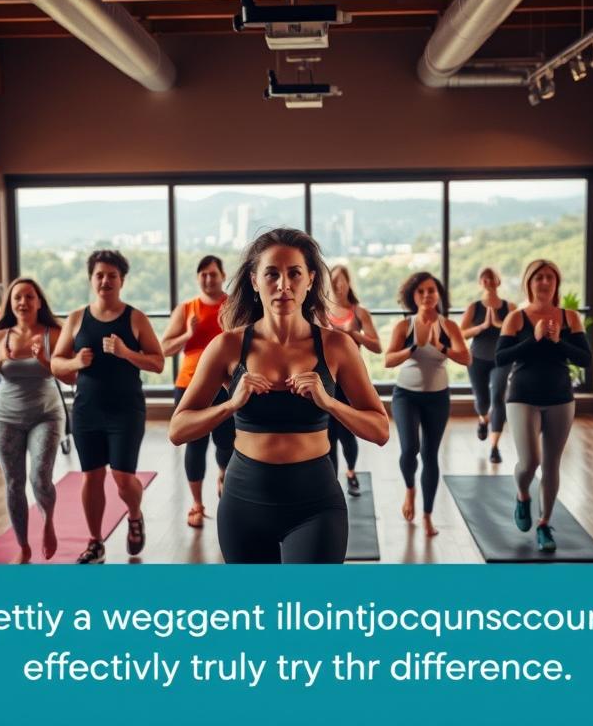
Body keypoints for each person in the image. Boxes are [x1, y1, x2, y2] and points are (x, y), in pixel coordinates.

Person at [169, 228, 389, 564]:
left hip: (316, 502)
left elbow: (380, 430)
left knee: (309, 611)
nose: (283, 285)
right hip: (244, 501)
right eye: (272, 273)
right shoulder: (227, 346)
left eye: (294, 273)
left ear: (310, 280)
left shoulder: (336, 346)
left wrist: (329, 402)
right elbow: (178, 429)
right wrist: (231, 404)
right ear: (255, 280)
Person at [51, 250, 164, 564]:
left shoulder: (135, 318)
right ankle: (95, 542)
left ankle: (135, 513)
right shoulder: (76, 318)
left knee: (123, 478)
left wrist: (127, 352)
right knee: (92, 476)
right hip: (87, 410)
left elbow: (157, 362)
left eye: (112, 275)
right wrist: (76, 361)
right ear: (91, 279)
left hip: (126, 410)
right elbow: (56, 363)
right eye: (99, 275)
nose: (105, 281)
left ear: (122, 280)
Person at [0, 278, 72, 564]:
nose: (23, 302)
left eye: (29, 297)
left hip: (46, 414)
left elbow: (70, 377)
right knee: (14, 483)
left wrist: (43, 360)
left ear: (39, 302)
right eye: (18, 297)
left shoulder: (55, 333)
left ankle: (48, 522)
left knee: (40, 477)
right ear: (11, 304)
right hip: (5, 417)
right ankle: (24, 546)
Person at [495, 259, 592, 553]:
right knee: (530, 462)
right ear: (530, 282)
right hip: (522, 395)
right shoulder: (516, 318)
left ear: (556, 284)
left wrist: (556, 340)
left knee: (551, 464)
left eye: (550, 277)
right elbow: (501, 358)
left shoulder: (569, 317)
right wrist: (535, 340)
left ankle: (544, 523)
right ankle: (523, 493)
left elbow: (584, 359)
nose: (545, 283)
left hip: (560, 397)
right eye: (539, 278)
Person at [384, 272, 470, 537]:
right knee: (410, 449)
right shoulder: (404, 326)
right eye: (420, 291)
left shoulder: (449, 326)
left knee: (430, 455)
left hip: (437, 397)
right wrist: (413, 347)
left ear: (438, 294)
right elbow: (388, 360)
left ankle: (427, 516)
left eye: (431, 290)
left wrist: (439, 346)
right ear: (413, 296)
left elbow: (466, 358)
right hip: (406, 396)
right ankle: (410, 490)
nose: (426, 295)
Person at [160, 255, 234, 527]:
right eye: (202, 274)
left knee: (227, 441)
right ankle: (197, 504)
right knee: (195, 443)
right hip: (190, 383)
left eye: (213, 274)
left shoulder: (233, 305)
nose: (208, 279)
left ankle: (225, 479)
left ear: (223, 276)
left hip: (226, 383)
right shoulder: (187, 308)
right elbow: (164, 349)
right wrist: (187, 335)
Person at [326, 264, 382, 496]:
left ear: (349, 283)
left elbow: (377, 346)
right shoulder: (322, 311)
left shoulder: (359, 313)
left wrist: (354, 333)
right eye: (334, 280)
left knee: (347, 433)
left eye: (343, 280)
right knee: (328, 433)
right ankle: (331, 483)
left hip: (350, 381)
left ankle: (350, 472)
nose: (339, 285)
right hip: (328, 380)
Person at [459, 267, 516, 464]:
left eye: (491, 278)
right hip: (477, 359)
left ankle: (494, 447)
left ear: (498, 282)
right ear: (480, 283)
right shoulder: (474, 307)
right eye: (484, 278)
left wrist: (500, 324)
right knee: (482, 400)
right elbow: (461, 334)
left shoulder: (509, 307)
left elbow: (518, 331)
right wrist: (483, 326)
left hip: (502, 359)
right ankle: (483, 420)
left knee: (499, 395)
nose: (488, 281)